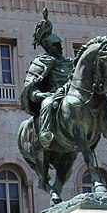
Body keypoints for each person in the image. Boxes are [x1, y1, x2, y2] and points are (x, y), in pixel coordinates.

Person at [21, 9, 74, 151]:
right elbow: (30, 87)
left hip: (71, 94)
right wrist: (41, 95)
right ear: (50, 46)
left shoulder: (70, 63)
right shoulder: (41, 62)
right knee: (48, 103)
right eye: (57, 45)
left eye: (61, 45)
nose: (61, 48)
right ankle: (45, 133)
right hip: (53, 94)